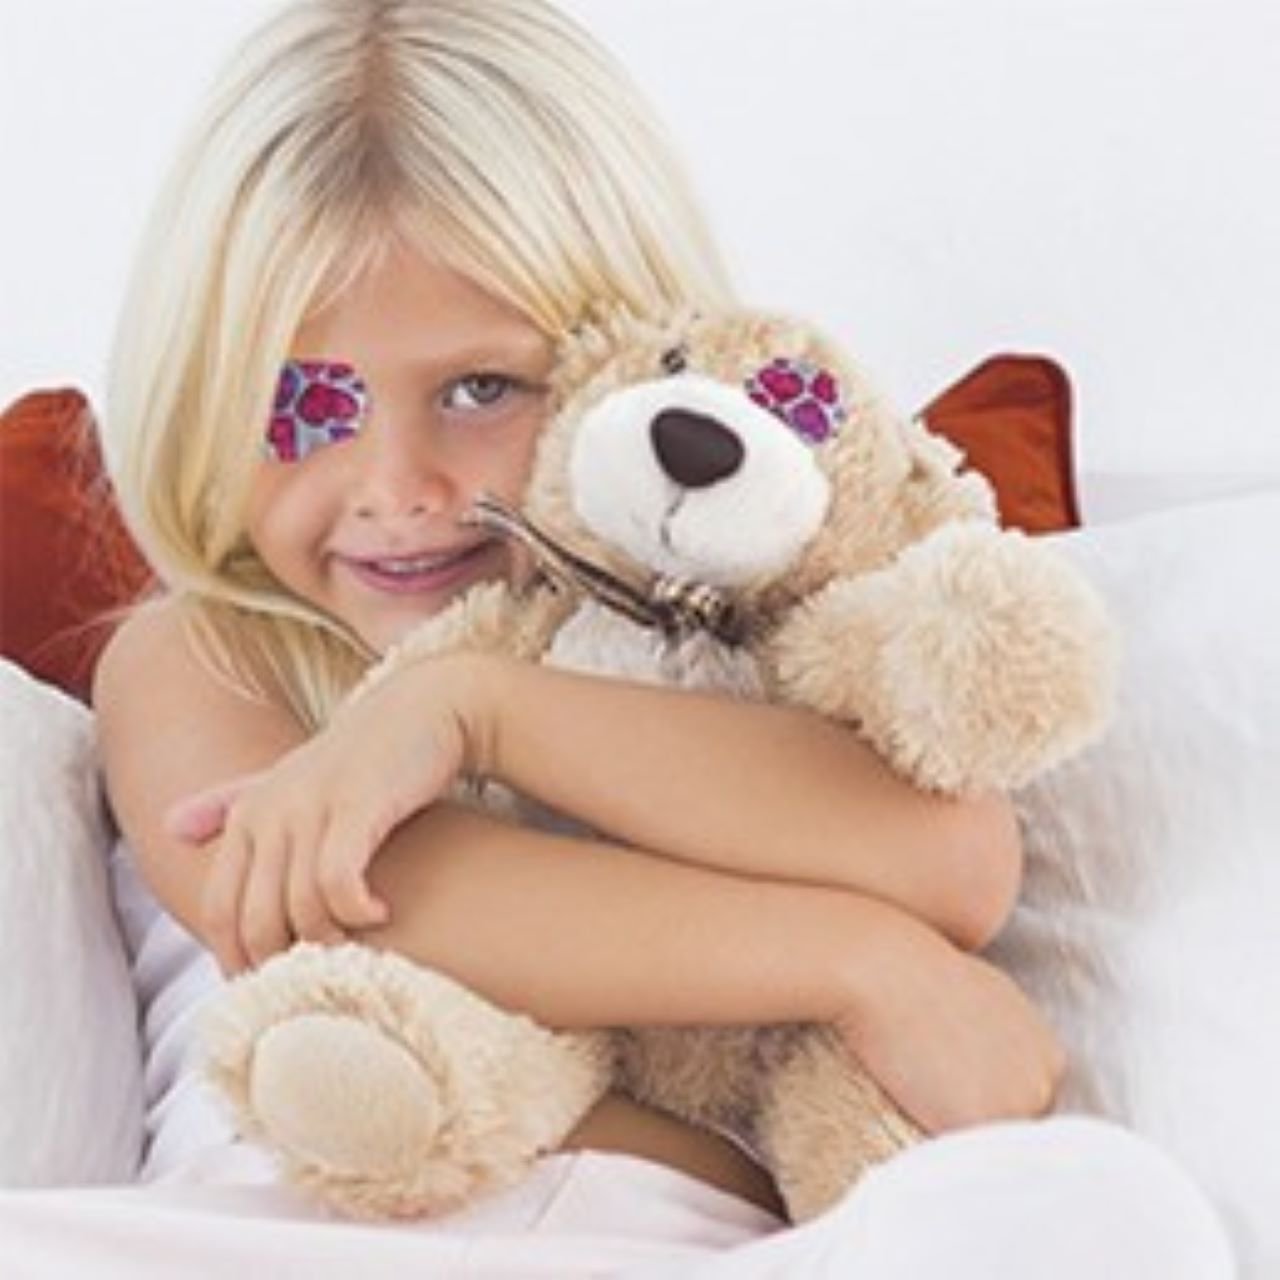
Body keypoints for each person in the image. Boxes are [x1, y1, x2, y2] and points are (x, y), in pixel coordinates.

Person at [32, 0, 1226, 1275]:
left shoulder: (718, 635)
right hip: (272, 1234)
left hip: (674, 1241)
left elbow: (950, 857)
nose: (397, 484)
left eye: (480, 388)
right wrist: (855, 959)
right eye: (305, 401)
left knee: (1110, 1204)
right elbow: (330, 908)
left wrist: (475, 708)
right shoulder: (202, 651)